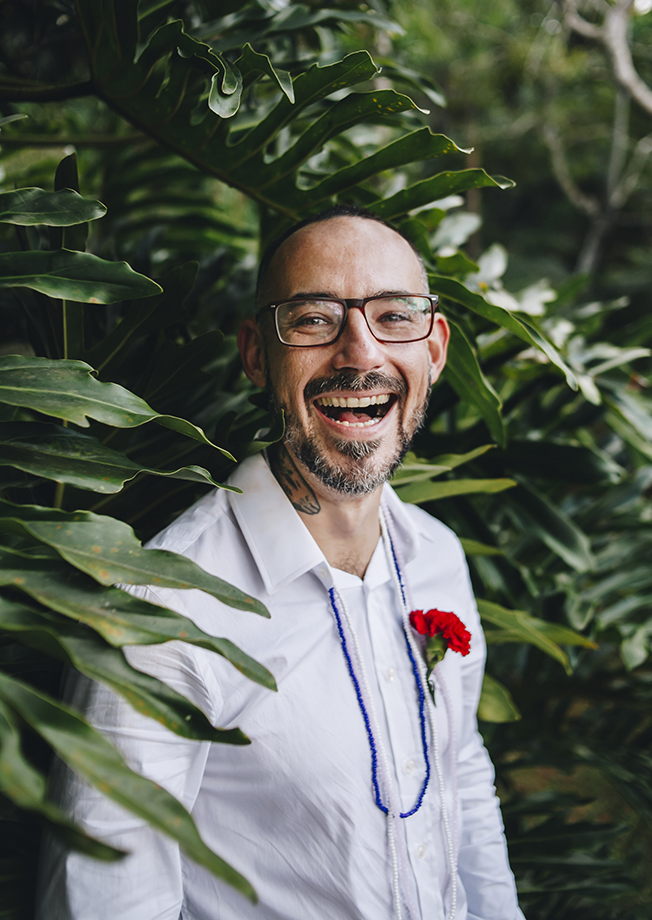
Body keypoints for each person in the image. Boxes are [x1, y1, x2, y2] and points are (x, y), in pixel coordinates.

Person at [38, 207, 525, 920]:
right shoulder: (165, 609)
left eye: (394, 316)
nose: (360, 354)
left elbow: (461, 780)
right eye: (313, 319)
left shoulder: (437, 557)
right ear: (257, 355)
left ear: (436, 349)